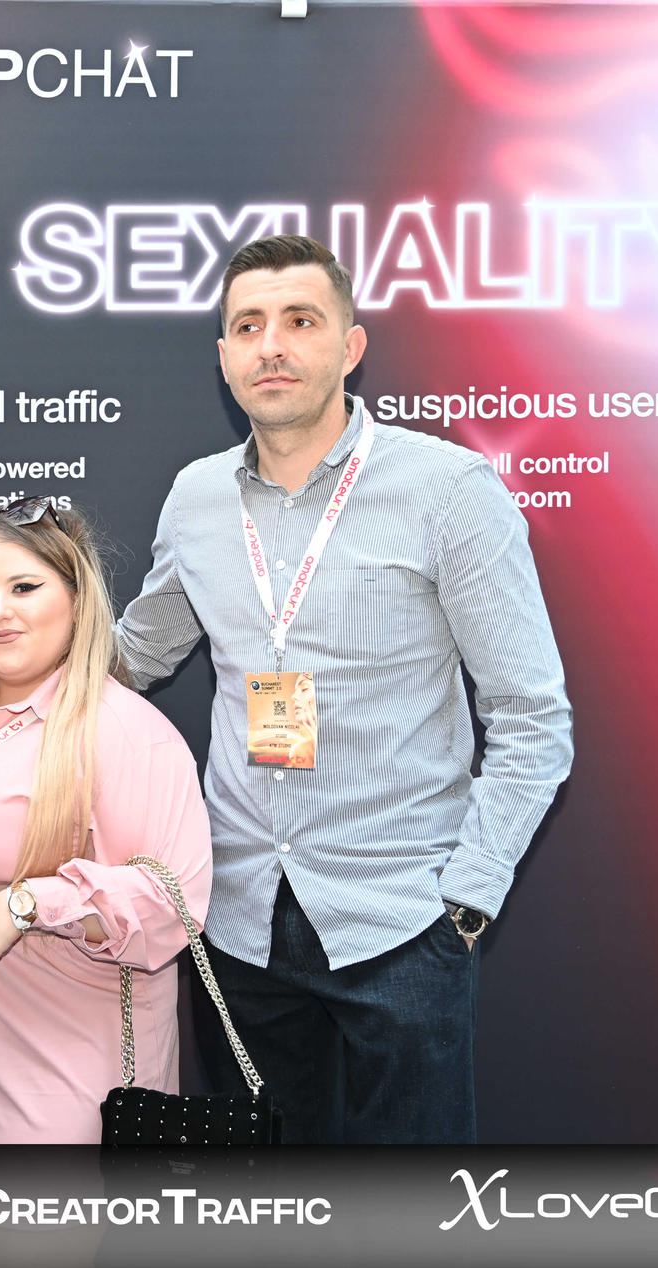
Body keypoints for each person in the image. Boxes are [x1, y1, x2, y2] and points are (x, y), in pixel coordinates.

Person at [116, 234, 573, 1142]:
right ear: (224, 357)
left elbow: (531, 718)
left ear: (351, 345)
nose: (272, 346)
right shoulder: (196, 498)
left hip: (401, 924)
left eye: (301, 321)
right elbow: (136, 652)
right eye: (249, 326)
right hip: (239, 924)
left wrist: (466, 898)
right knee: (271, 1203)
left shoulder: (448, 488)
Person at [0, 499, 212, 1143]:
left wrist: (26, 904)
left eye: (24, 587)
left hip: (68, 1055)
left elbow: (172, 905)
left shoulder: (126, 731)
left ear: (77, 599)